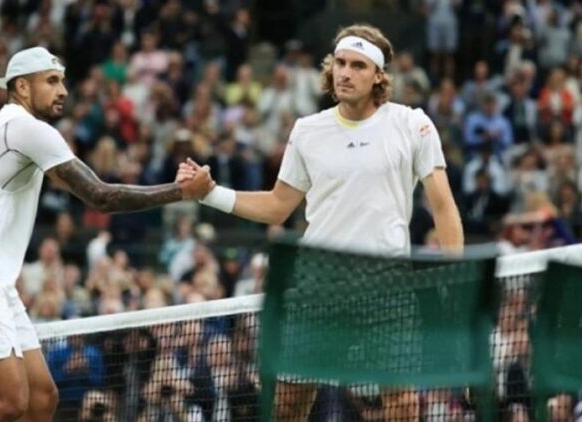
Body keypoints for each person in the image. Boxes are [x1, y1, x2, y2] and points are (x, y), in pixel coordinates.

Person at [0, 46, 213, 422]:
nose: (63, 91)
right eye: (52, 81)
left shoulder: (6, 130)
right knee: (9, 401)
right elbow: (101, 196)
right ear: (22, 87)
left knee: (42, 397)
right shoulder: (25, 129)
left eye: (62, 81)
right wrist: (181, 192)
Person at [194, 24, 463, 421]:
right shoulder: (307, 131)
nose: (345, 73)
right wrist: (210, 193)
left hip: (387, 286)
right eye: (340, 63)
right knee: (287, 407)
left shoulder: (413, 124)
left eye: (358, 65)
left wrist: (457, 280)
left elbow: (443, 206)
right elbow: (277, 206)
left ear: (378, 76)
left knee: (403, 404)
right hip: (317, 286)